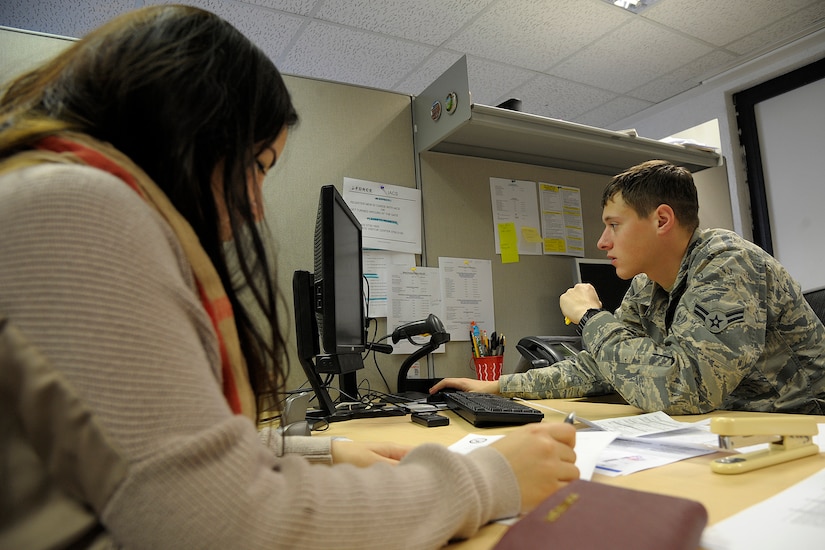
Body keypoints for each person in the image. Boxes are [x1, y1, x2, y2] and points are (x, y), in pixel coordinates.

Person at [0, 5, 579, 549]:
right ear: (185, 127)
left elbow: (129, 457)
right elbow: (217, 522)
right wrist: (484, 479)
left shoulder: (49, 192)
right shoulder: (73, 205)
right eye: (257, 166)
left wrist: (308, 455)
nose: (255, 207)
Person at [433, 160, 825, 415]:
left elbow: (684, 390)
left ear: (662, 220)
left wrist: (590, 318)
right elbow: (605, 365)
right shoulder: (647, 285)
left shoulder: (728, 264)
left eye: (614, 225)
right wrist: (498, 386)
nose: (603, 242)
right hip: (733, 427)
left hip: (803, 428)